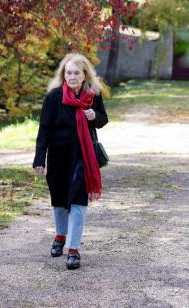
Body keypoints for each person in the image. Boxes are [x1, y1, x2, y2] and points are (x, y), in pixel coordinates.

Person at [32, 53, 108, 270]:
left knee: (78, 202)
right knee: (59, 201)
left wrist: (95, 117)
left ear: (85, 75)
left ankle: (73, 250)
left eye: (76, 72)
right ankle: (59, 236)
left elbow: (103, 119)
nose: (72, 76)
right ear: (63, 75)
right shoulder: (54, 97)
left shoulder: (93, 95)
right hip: (58, 156)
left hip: (83, 157)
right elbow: (44, 130)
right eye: (69, 72)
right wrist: (40, 158)